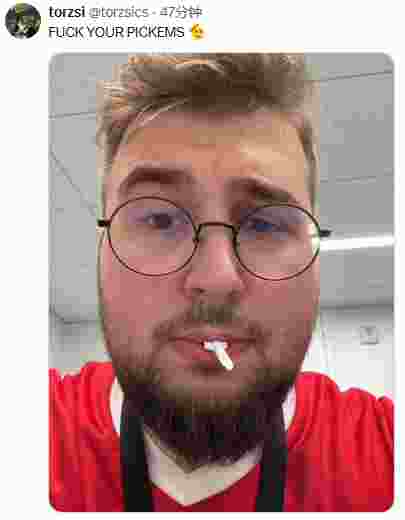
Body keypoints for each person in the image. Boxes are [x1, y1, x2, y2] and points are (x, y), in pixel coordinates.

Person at [49, 54, 393, 512]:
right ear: (102, 248)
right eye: (159, 220)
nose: (216, 279)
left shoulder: (386, 450)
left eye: (266, 225)